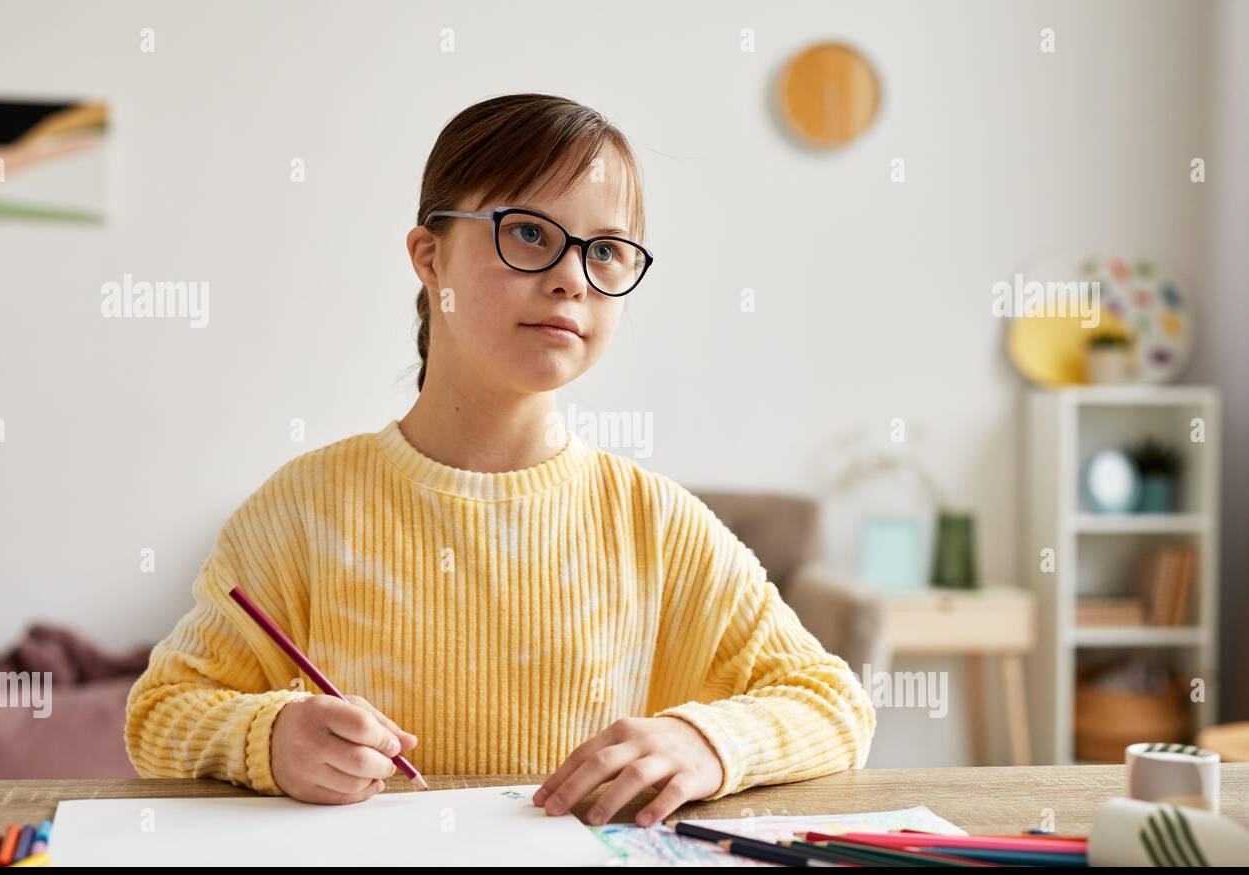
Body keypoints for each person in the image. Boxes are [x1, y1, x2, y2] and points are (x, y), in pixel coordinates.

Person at [125, 92, 876, 828]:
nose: (572, 277)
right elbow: (160, 715)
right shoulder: (302, 508)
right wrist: (270, 740)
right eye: (528, 234)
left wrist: (708, 742)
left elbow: (834, 704)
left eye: (606, 251)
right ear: (429, 256)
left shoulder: (656, 522)